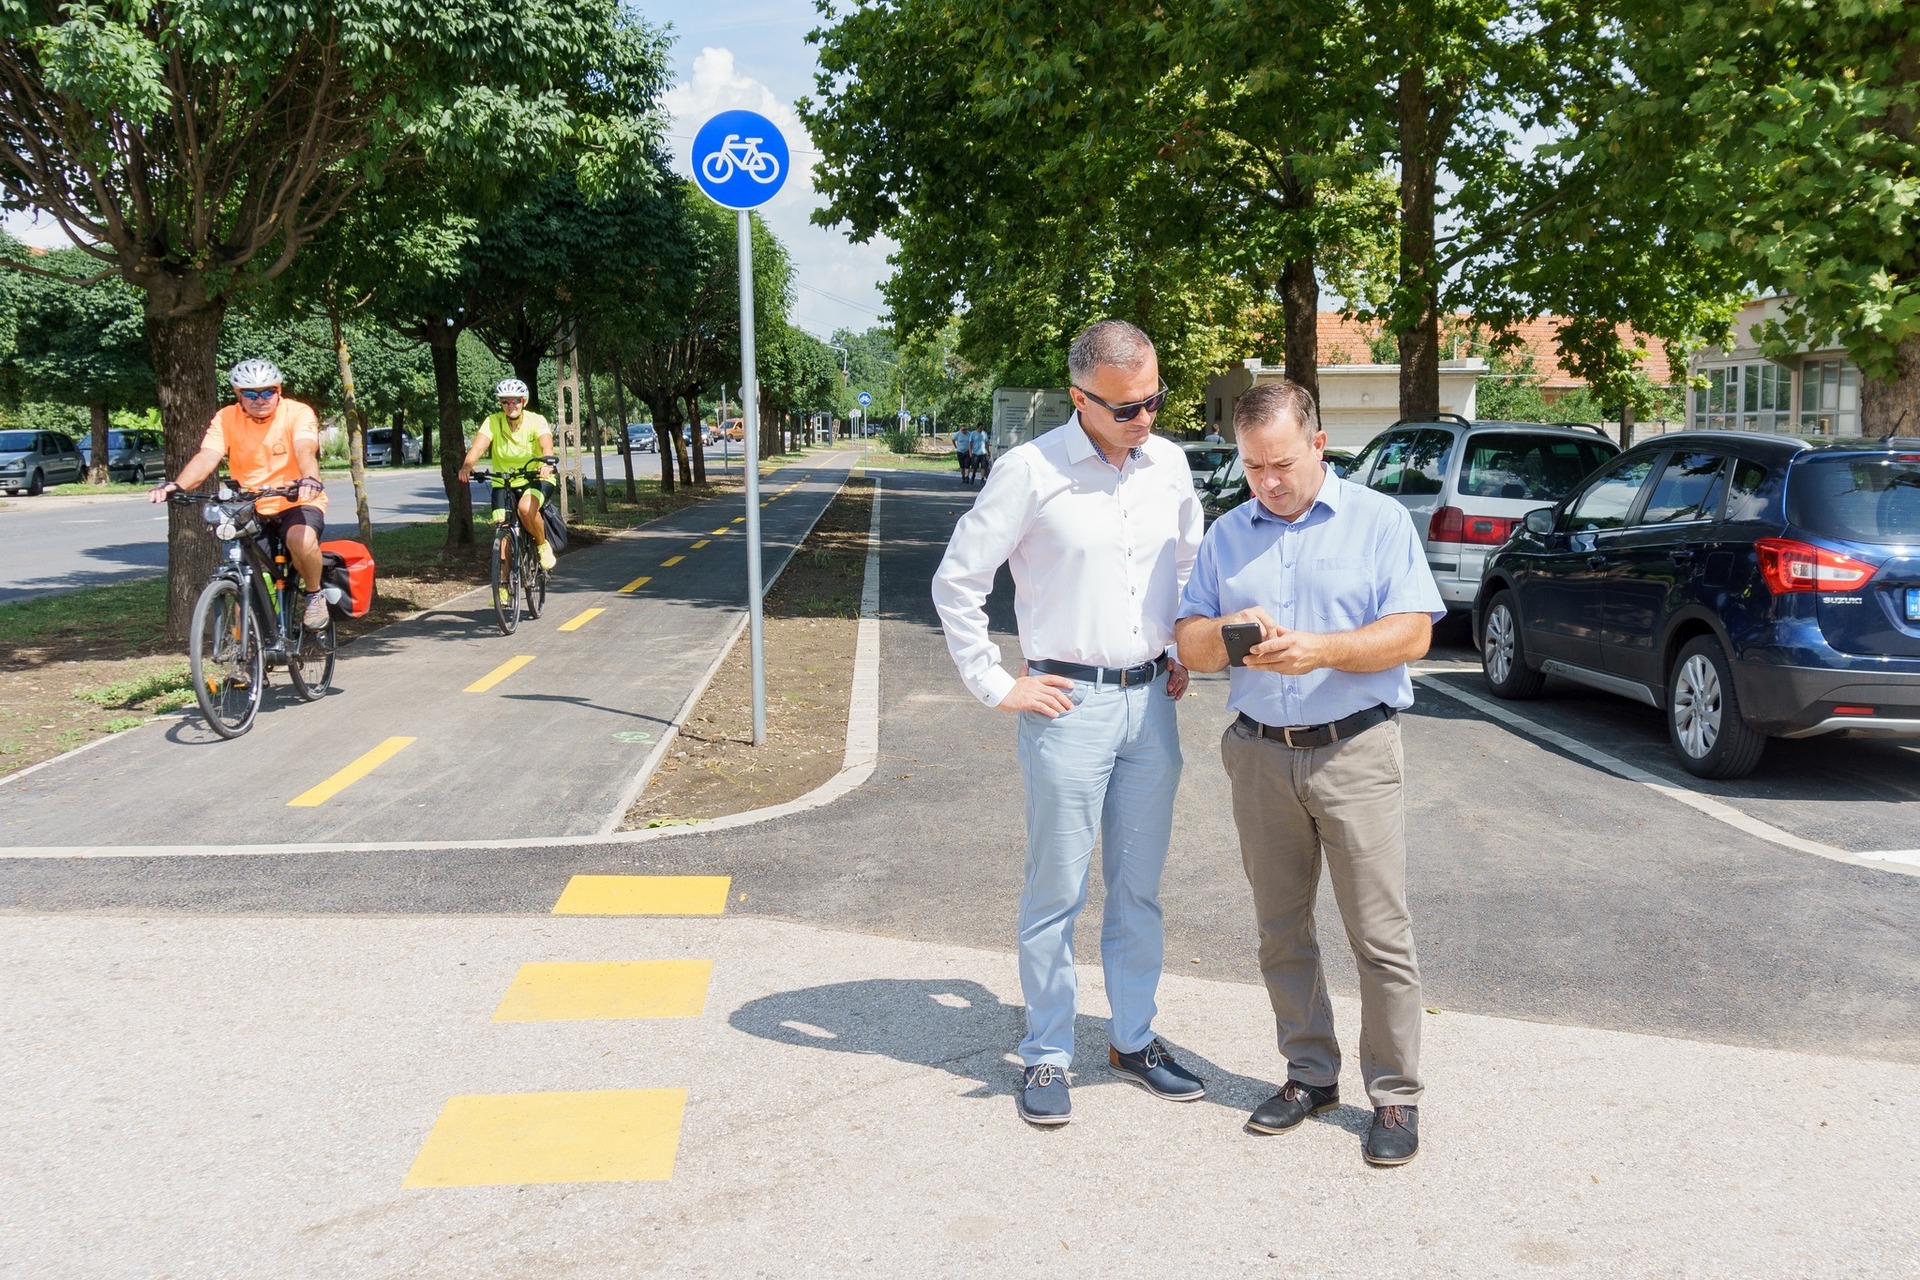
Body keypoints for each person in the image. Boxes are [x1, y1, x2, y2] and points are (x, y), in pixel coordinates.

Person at [932, 319, 1203, 1127]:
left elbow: (1187, 565)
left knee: (1139, 889)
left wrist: (1180, 645)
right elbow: (958, 580)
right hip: (1068, 704)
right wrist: (995, 683)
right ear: (1079, 398)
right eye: (1125, 408)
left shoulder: (1170, 465)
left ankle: (1133, 1040)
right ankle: (1047, 1051)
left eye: (1154, 400)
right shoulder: (1030, 470)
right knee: (1057, 890)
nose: (1144, 419)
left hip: (1152, 704)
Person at [1172, 380, 1444, 1167]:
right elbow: (1189, 642)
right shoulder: (1228, 534)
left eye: (1282, 463)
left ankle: (1394, 1095)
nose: (1268, 481)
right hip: (1260, 753)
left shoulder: (1378, 521)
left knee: (1379, 934)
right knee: (1280, 928)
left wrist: (1322, 649)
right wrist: (1229, 631)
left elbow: (1413, 633)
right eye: (1253, 466)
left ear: (1318, 445)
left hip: (1355, 750)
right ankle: (1310, 1075)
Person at [151, 359, 330, 630]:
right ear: (238, 394)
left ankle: (314, 595)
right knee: (247, 578)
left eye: (267, 391)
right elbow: (207, 457)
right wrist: (178, 486)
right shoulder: (226, 418)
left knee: (300, 539)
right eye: (251, 394)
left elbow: (305, 449)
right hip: (252, 504)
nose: (260, 399)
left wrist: (310, 479)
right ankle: (244, 652)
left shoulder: (297, 412)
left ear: (279, 390)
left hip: (297, 497)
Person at [458, 379, 556, 601]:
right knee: (502, 532)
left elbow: (546, 445)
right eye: (505, 401)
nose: (510, 405)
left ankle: (542, 545)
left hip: (535, 478)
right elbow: (478, 447)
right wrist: (467, 466)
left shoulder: (536, 420)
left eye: (515, 401)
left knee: (525, 509)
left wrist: (547, 462)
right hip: (504, 482)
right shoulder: (493, 422)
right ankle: (503, 584)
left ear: (524, 401)